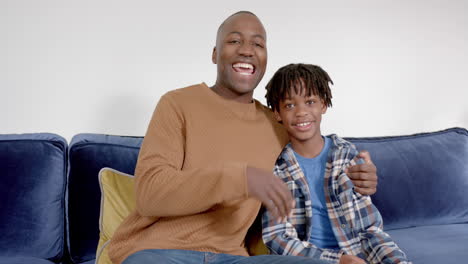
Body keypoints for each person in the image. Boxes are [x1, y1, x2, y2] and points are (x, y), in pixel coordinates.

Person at [108, 11, 378, 264]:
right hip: (159, 253)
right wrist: (240, 178)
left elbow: (318, 161)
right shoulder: (177, 104)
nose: (247, 50)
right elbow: (150, 194)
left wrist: (357, 175)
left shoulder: (277, 125)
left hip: (232, 257)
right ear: (215, 54)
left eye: (258, 45)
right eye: (234, 40)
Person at [261, 63, 410, 264]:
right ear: (277, 113)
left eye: (310, 101)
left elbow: (369, 230)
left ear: (323, 104)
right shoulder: (275, 169)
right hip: (308, 260)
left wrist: (395, 261)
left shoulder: (346, 156)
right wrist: (337, 260)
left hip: (357, 255)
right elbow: (277, 237)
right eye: (289, 105)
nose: (301, 112)